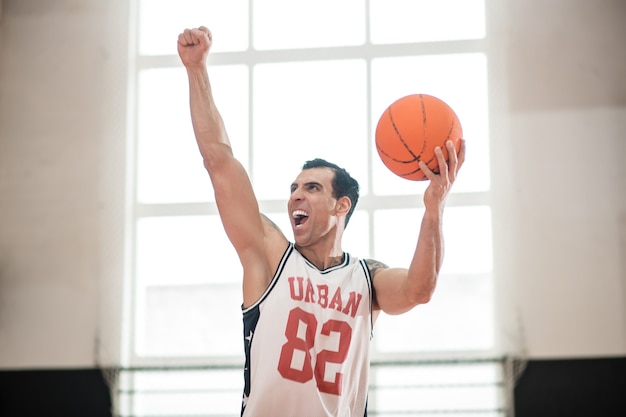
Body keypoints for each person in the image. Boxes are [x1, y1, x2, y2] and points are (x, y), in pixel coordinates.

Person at [177, 26, 465, 417]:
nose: (296, 195)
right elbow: (218, 160)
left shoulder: (367, 279)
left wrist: (434, 208)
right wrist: (197, 70)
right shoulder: (270, 256)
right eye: (294, 187)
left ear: (341, 205)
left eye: (312, 188)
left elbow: (419, 290)